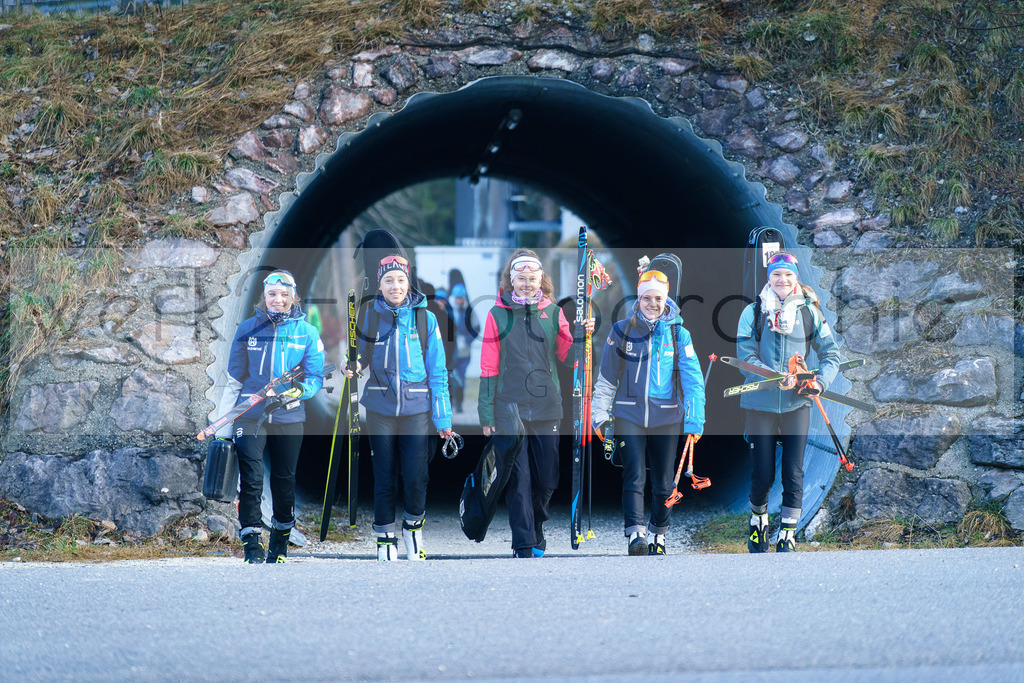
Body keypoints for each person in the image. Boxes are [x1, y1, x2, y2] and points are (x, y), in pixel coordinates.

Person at [478, 249, 592, 558]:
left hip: (546, 406)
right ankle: (523, 542)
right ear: (510, 280)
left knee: (545, 479)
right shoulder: (496, 314)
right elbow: (488, 367)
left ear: (540, 279)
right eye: (521, 279)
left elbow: (569, 358)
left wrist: (582, 336)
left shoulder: (553, 312)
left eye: (532, 278)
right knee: (519, 478)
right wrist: (486, 412)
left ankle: (537, 526)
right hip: (509, 407)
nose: (527, 284)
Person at [343, 255, 454, 561]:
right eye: (389, 280)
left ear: (409, 283)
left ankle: (413, 529)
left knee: (416, 475)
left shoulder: (425, 319)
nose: (395, 286)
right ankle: (384, 537)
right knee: (383, 474)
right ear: (379, 284)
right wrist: (352, 364)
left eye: (400, 280)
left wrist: (443, 417)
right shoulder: (369, 317)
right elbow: (361, 356)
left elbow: (438, 371)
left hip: (417, 407)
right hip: (380, 408)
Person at [591, 268, 706, 556]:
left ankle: (658, 534)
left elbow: (693, 381)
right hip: (628, 414)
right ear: (638, 299)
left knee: (665, 481)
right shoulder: (622, 330)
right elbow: (606, 378)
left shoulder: (679, 333)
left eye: (658, 298)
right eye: (646, 298)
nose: (652, 303)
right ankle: (635, 534)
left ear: (666, 300)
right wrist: (600, 416)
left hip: (667, 416)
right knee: (634, 475)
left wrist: (695, 419)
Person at [216, 270, 326, 564]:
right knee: (251, 479)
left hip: (289, 417)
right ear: (264, 297)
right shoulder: (247, 329)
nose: (278, 300)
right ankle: (251, 544)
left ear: (293, 297)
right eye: (272, 295)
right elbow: (234, 380)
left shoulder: (308, 333)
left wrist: (296, 391)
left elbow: (316, 379)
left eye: (284, 295)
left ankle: (280, 541)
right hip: (250, 415)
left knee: (283, 480)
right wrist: (223, 427)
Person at [735, 251, 841, 552]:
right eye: (776, 275)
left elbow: (831, 354)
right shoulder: (753, 312)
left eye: (788, 275)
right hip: (760, 402)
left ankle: (788, 533)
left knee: (794, 470)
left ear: (796, 277)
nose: (782, 280)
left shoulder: (810, 312)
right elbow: (745, 358)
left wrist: (819, 382)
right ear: (769, 277)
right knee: (763, 472)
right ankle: (758, 523)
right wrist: (770, 375)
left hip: (797, 403)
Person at [448, 282, 477, 414]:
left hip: (464, 352)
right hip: (451, 352)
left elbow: (476, 328)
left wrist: (467, 340)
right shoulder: (449, 310)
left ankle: (459, 403)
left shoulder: (469, 311)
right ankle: (450, 402)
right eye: (457, 298)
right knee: (450, 377)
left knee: (461, 377)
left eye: (461, 298)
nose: (459, 300)